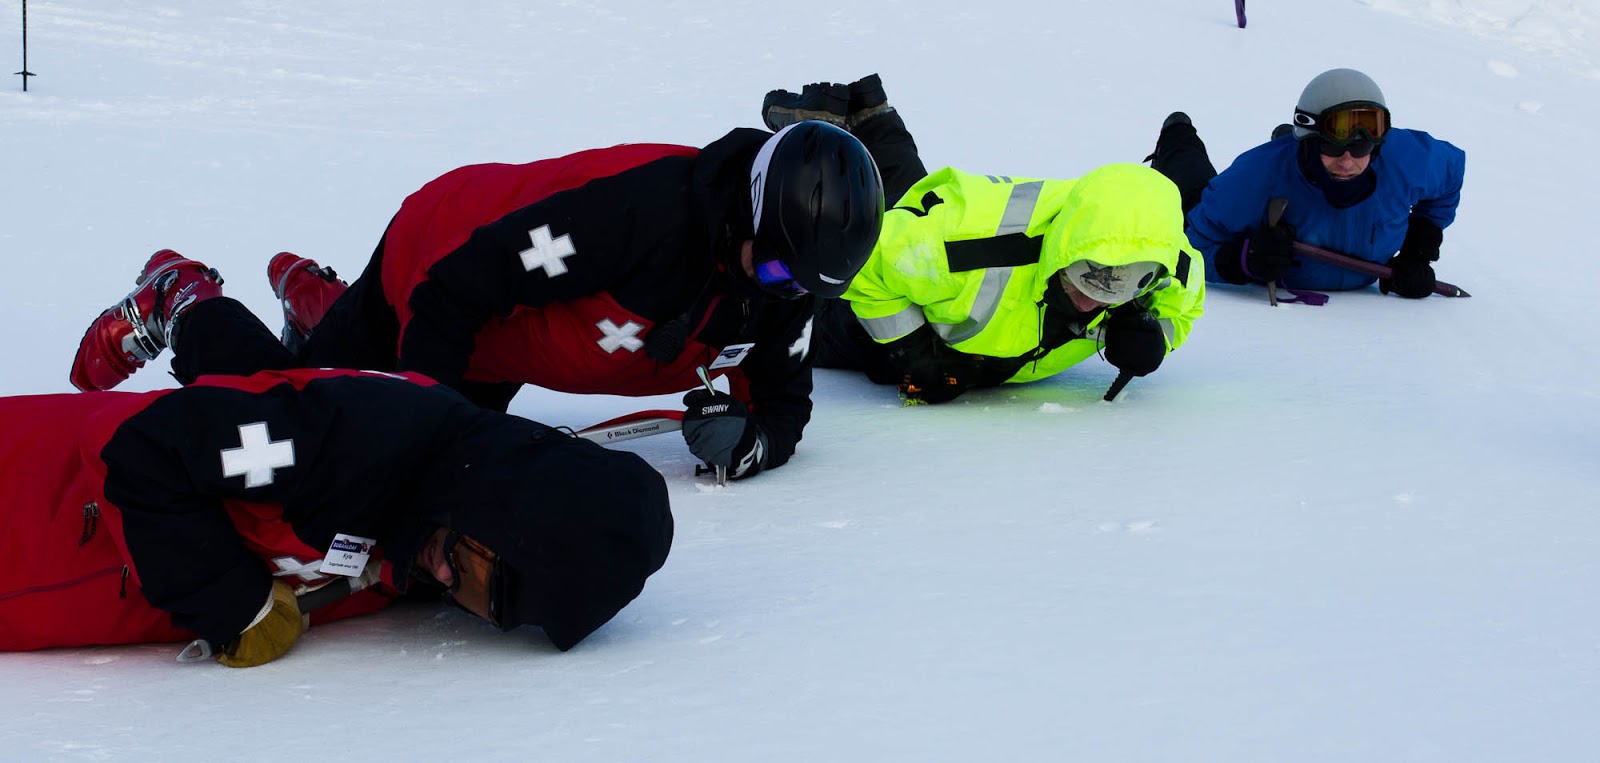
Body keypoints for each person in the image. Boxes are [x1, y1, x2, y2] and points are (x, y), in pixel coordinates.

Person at [70, 120, 887, 482]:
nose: (778, 299)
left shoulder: (788, 276)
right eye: (775, 275)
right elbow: (458, 287)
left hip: (513, 339)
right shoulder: (636, 218)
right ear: (746, 208)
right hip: (438, 261)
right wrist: (422, 430)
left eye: (801, 291)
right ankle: (183, 295)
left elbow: (785, 402)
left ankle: (317, 299)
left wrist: (748, 445)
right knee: (298, 415)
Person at [11, 269, 673, 665]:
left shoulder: (428, 510)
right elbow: (139, 450)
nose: (448, 577)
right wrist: (234, 605)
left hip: (55, 577)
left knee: (274, 394)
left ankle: (205, 302)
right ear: (502, 498)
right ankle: (186, 301)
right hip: (32, 498)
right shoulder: (353, 446)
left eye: (485, 599)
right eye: (475, 565)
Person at [785, 75, 1206, 404]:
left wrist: (1156, 336)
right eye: (1088, 278)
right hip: (929, 253)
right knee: (810, 311)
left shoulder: (1165, 259)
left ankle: (870, 114)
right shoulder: (963, 249)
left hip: (935, 253)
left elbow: (1186, 302)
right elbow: (869, 267)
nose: (1095, 302)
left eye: (1119, 289)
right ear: (1067, 249)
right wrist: (911, 351)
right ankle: (815, 138)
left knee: (901, 198)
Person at [1147, 67, 1466, 299]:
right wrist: (1239, 261)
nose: (1347, 160)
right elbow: (1189, 245)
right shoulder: (1257, 175)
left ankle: (1290, 140)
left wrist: (1418, 246)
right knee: (1189, 195)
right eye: (1331, 146)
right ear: (1310, 141)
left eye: (1361, 147)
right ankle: (1177, 134)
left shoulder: (1407, 158)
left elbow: (1451, 174)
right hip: (1234, 195)